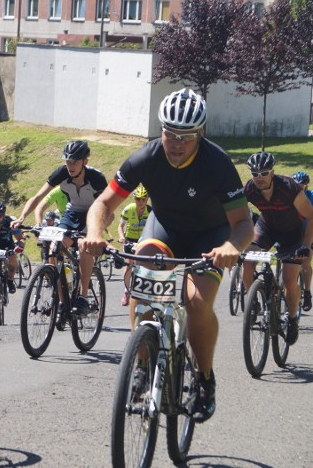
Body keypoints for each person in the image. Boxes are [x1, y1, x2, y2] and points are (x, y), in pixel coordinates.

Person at [81, 88, 254, 424]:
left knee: (197, 302)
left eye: (186, 137)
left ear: (200, 134)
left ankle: (204, 379)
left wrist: (232, 247)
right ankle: (143, 363)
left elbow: (244, 224)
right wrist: (94, 233)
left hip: (210, 237)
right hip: (165, 231)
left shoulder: (217, 164)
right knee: (141, 282)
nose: (176, 143)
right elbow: (103, 204)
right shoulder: (146, 158)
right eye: (170, 133)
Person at [11, 140, 108, 316]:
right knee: (54, 251)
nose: (70, 166)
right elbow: (38, 197)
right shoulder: (61, 173)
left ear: (84, 162)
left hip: (93, 212)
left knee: (84, 245)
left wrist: (98, 229)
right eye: (67, 161)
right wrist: (22, 216)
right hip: (72, 213)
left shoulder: (96, 178)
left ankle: (83, 296)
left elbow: (106, 206)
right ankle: (63, 301)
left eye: (74, 161)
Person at [241, 153, 313, 339]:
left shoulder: (289, 188)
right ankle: (254, 302)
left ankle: (291, 319)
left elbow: (311, 216)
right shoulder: (249, 188)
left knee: (289, 279)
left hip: (293, 233)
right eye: (255, 173)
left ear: (272, 172)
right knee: (247, 260)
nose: (259, 178)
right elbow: (237, 215)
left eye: (264, 173)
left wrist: (305, 245)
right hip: (267, 227)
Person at [117, 185, 152, 306]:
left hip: (143, 240)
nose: (140, 202)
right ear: (134, 199)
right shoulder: (128, 209)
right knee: (129, 265)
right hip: (129, 240)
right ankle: (127, 291)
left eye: (143, 199)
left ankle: (143, 292)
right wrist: (122, 237)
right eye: (138, 199)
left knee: (145, 267)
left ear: (147, 199)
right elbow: (120, 226)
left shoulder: (150, 211)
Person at [293, 170, 313, 310]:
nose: (300, 187)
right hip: (292, 231)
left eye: (303, 185)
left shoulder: (311, 196)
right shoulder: (288, 195)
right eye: (297, 185)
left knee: (306, 262)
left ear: (306, 186)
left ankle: (306, 292)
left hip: (309, 231)